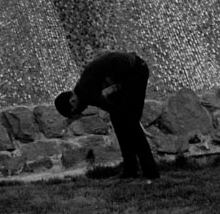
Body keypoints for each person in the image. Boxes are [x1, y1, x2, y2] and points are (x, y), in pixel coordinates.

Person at [54, 50, 160, 180]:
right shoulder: (83, 87)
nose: (80, 112)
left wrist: (128, 116)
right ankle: (131, 170)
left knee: (129, 123)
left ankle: (150, 172)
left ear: (72, 100)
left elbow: (112, 108)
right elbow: (113, 109)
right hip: (127, 73)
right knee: (120, 121)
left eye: (76, 111)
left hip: (136, 71)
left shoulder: (86, 93)